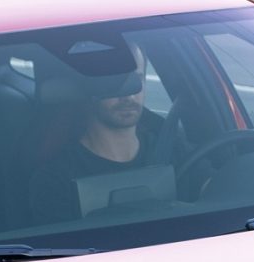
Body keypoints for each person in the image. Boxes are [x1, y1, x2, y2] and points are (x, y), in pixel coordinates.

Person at [28, 40, 178, 222]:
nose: (129, 94)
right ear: (88, 87)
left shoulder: (173, 150)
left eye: (136, 80)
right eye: (115, 81)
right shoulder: (55, 179)